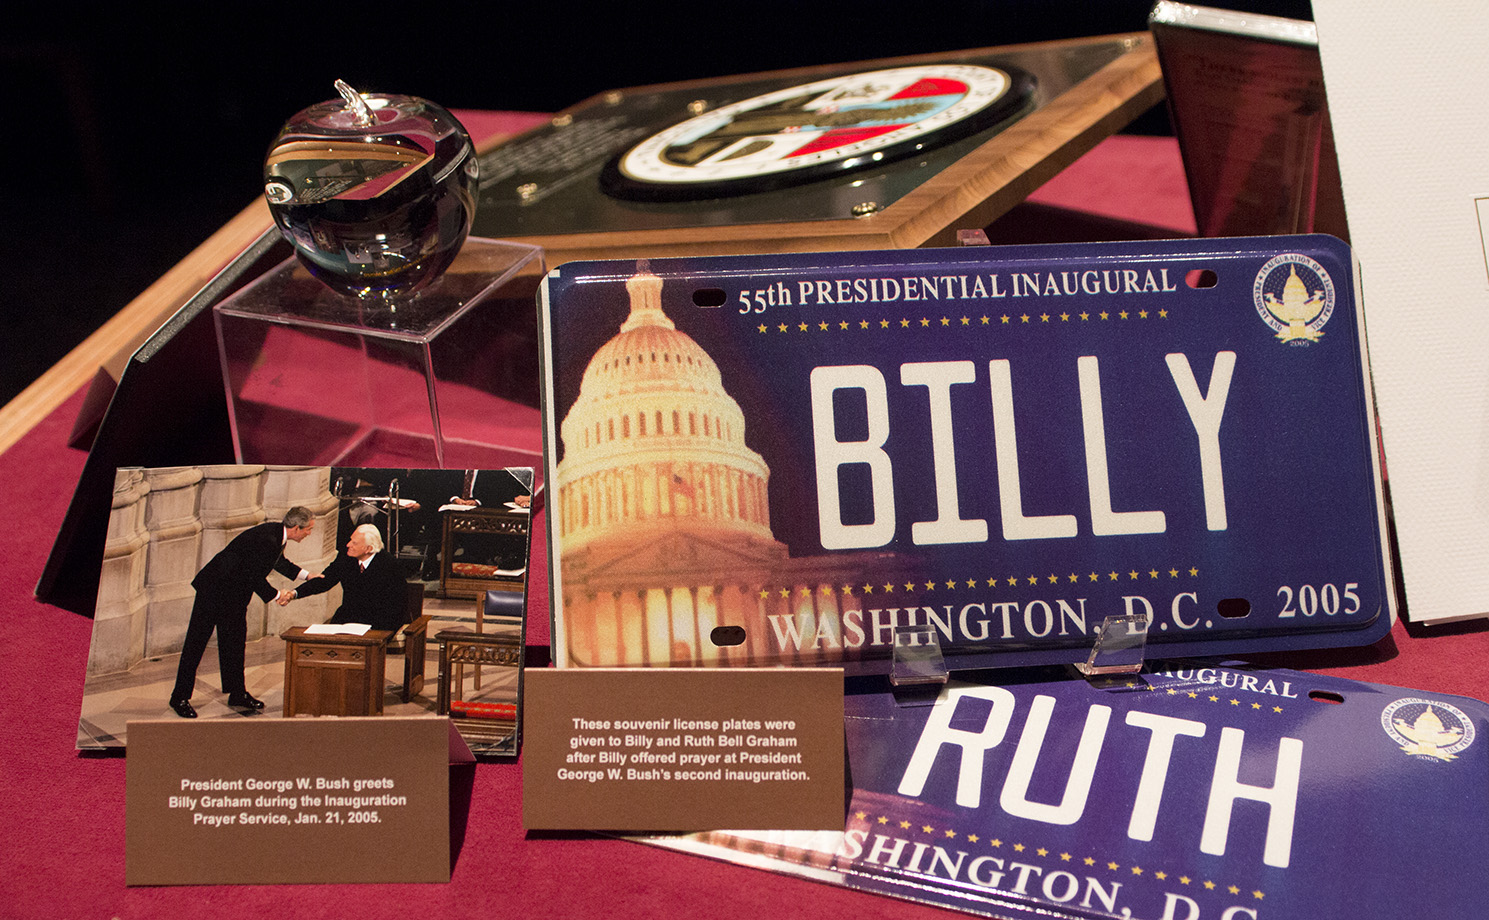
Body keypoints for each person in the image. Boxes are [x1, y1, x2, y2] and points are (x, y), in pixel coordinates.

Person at [169, 507, 315, 718]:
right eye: (308, 529)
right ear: (296, 528)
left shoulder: (277, 535)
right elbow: (252, 575)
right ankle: (179, 698)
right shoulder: (268, 538)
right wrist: (276, 595)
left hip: (234, 594)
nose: (309, 533)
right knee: (196, 643)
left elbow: (278, 562)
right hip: (214, 589)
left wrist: (307, 576)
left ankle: (237, 693)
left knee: (235, 643)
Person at [282, 523, 408, 633]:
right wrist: (294, 593)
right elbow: (324, 581)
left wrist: (379, 631)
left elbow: (397, 605)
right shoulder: (346, 559)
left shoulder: (391, 566)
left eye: (354, 543)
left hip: (379, 621)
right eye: (350, 540)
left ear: (368, 549)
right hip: (348, 617)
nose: (348, 545)